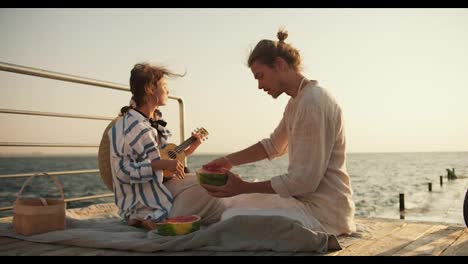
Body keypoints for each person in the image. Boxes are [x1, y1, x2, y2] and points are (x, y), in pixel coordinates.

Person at [201, 29, 356, 236]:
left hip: (324, 215)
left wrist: (244, 186)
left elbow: (303, 182)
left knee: (231, 219)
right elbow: (273, 146)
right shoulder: (296, 102)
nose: (259, 85)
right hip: (303, 205)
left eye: (261, 76)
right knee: (230, 204)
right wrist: (228, 161)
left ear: (280, 65)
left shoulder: (313, 103)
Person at [109, 62, 225, 230]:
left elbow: (165, 160)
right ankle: (151, 217)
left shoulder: (147, 124)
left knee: (216, 183)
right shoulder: (129, 127)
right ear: (150, 89)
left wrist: (190, 149)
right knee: (212, 195)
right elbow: (122, 172)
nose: (168, 91)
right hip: (143, 200)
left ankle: (157, 216)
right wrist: (160, 164)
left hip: (159, 187)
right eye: (164, 86)